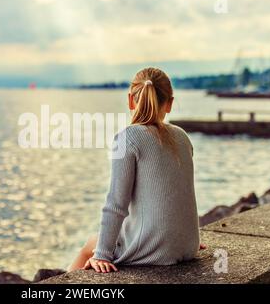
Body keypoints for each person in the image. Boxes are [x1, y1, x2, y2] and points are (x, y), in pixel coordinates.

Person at [68, 67, 203, 273]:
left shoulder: (128, 138)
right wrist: (186, 239)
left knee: (89, 246)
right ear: (170, 104)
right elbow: (179, 192)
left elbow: (116, 204)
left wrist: (102, 254)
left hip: (155, 251)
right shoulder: (183, 136)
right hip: (188, 246)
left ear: (131, 100)